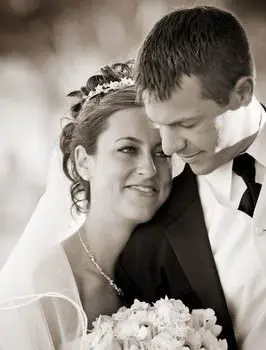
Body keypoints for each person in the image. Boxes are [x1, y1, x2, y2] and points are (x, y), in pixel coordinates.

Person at [115, 6, 266, 350]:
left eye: (185, 124)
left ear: (242, 93)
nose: (169, 146)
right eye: (160, 126)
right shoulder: (149, 245)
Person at [0, 61, 172, 349]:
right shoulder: (41, 291)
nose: (150, 168)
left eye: (161, 151)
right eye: (128, 149)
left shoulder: (172, 272)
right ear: (83, 162)